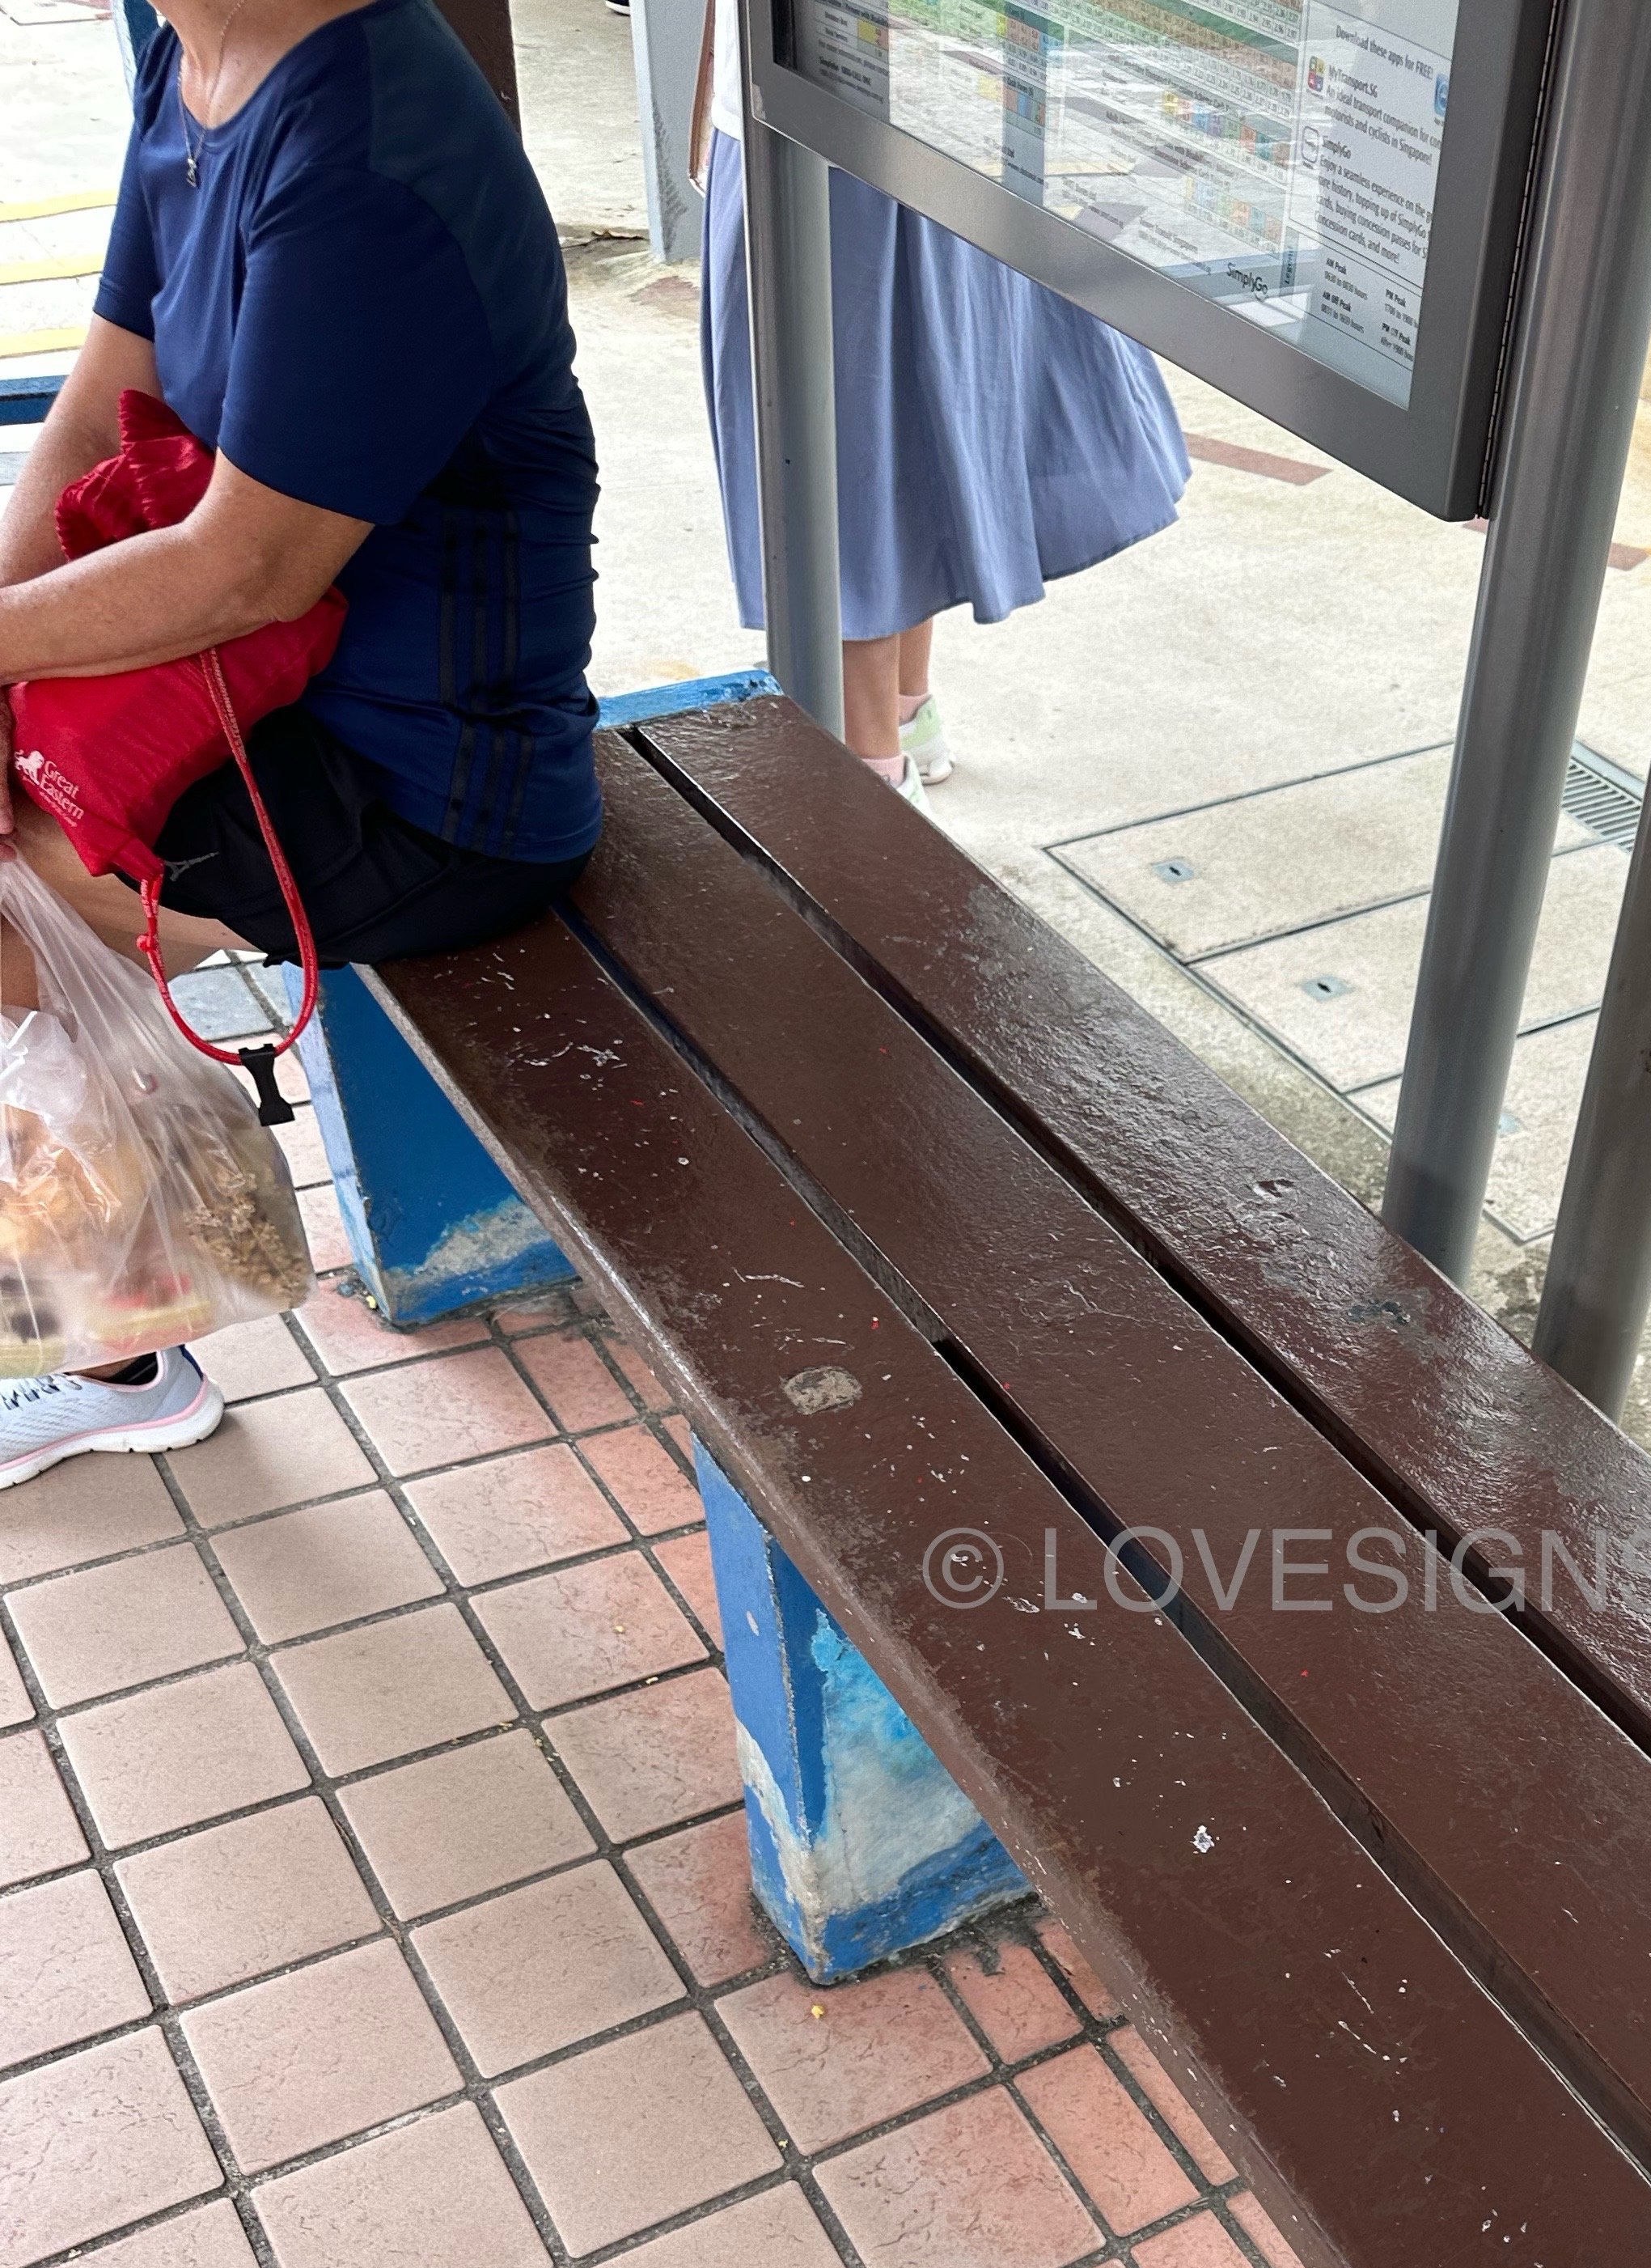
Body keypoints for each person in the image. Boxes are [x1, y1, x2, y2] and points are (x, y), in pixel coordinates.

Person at [0, 0, 599, 1485]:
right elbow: (98, 418)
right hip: (251, 694)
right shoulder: (197, 50)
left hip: (425, 785)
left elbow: (247, 568)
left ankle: (108, 1347)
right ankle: (104, 1323)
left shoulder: (364, 157)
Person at [695, 0, 1188, 793]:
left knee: (836, 459)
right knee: (907, 422)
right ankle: (903, 713)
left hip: (824, 113)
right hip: (954, 101)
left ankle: (870, 783)